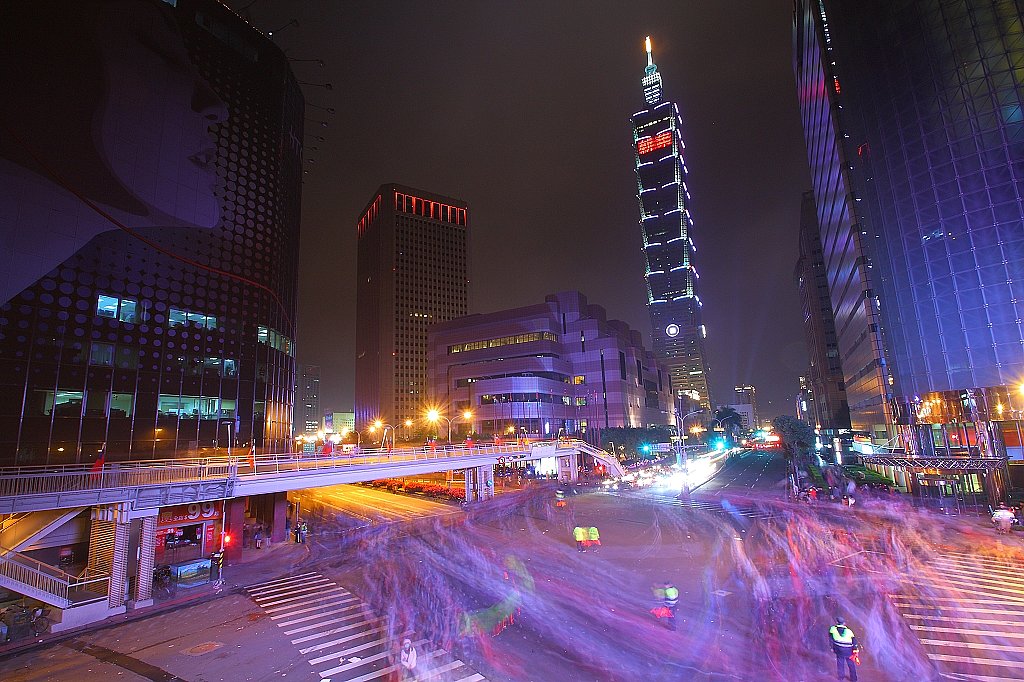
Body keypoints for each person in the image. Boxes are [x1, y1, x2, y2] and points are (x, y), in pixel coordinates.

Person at [829, 617, 859, 681]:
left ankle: (841, 677)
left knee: (840, 663)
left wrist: (831, 647)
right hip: (848, 650)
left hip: (838, 649)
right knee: (851, 664)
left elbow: (831, 639)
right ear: (844, 623)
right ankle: (854, 679)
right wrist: (855, 649)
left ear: (837, 622)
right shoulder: (849, 631)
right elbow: (854, 641)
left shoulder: (832, 629)